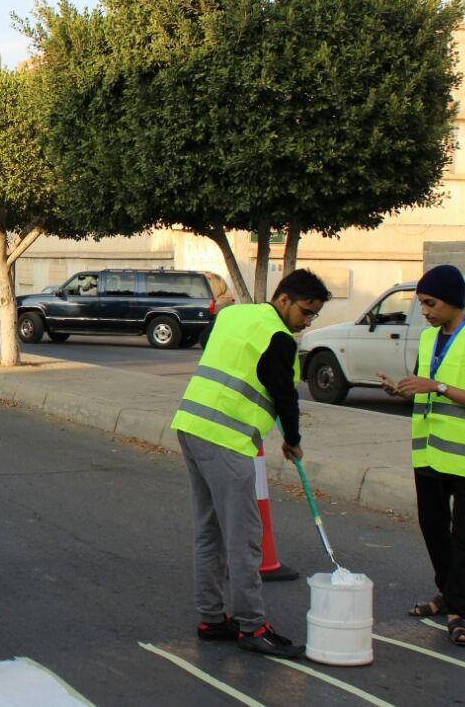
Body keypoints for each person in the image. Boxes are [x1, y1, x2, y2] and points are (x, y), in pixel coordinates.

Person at [170, 269, 331, 658]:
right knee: (243, 537)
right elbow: (285, 396)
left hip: (191, 425)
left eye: (314, 316)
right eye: (306, 312)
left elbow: (217, 353)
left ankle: (211, 619)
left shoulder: (234, 314)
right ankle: (252, 625)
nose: (307, 321)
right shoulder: (277, 337)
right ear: (284, 300)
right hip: (227, 438)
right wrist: (293, 441)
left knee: (209, 530)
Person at [378, 264, 465, 648]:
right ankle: (447, 594)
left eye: (430, 303)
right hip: (429, 454)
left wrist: (439, 386)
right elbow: (424, 388)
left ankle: (459, 612)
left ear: (451, 301)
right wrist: (402, 390)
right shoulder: (429, 339)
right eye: (422, 303)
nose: (425, 311)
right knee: (433, 528)